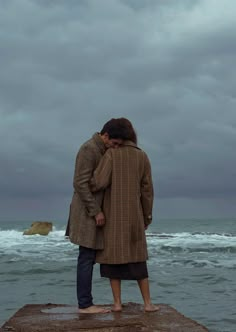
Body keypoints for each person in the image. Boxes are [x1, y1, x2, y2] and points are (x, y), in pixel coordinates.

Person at [91, 118, 159, 312]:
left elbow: (99, 182)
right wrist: (147, 216)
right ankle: (147, 304)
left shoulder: (111, 154)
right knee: (138, 260)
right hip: (135, 216)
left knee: (113, 260)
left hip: (113, 216)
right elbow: (147, 190)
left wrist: (90, 181)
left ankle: (117, 304)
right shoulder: (142, 156)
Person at [68, 119, 124, 314]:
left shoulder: (101, 150)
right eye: (114, 143)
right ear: (106, 135)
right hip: (86, 212)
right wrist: (96, 211)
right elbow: (80, 183)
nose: (115, 148)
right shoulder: (89, 149)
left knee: (89, 257)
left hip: (91, 211)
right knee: (86, 256)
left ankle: (86, 302)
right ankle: (85, 304)